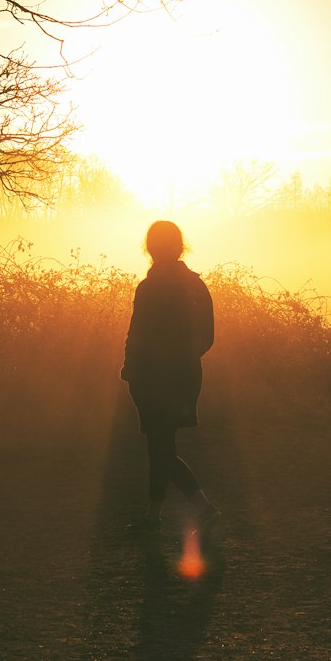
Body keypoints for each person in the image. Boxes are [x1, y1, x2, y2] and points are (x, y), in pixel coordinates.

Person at [121, 220, 218, 531]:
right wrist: (184, 359)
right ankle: (173, 511)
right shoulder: (195, 285)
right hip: (185, 376)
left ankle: (162, 513)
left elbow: (135, 335)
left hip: (152, 376)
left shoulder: (148, 288)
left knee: (159, 444)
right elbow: (207, 336)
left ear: (150, 248)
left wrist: (132, 369)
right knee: (163, 445)